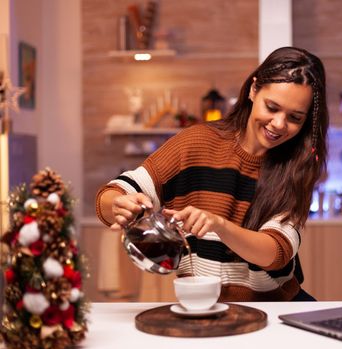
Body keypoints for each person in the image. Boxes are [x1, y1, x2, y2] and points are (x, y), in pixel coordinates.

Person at [95, 46, 329, 302]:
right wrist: (119, 205)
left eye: (295, 117)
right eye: (272, 107)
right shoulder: (195, 143)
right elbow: (114, 194)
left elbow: (275, 253)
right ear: (253, 90)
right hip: (205, 307)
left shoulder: (298, 167)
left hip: (277, 308)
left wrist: (219, 225)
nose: (279, 124)